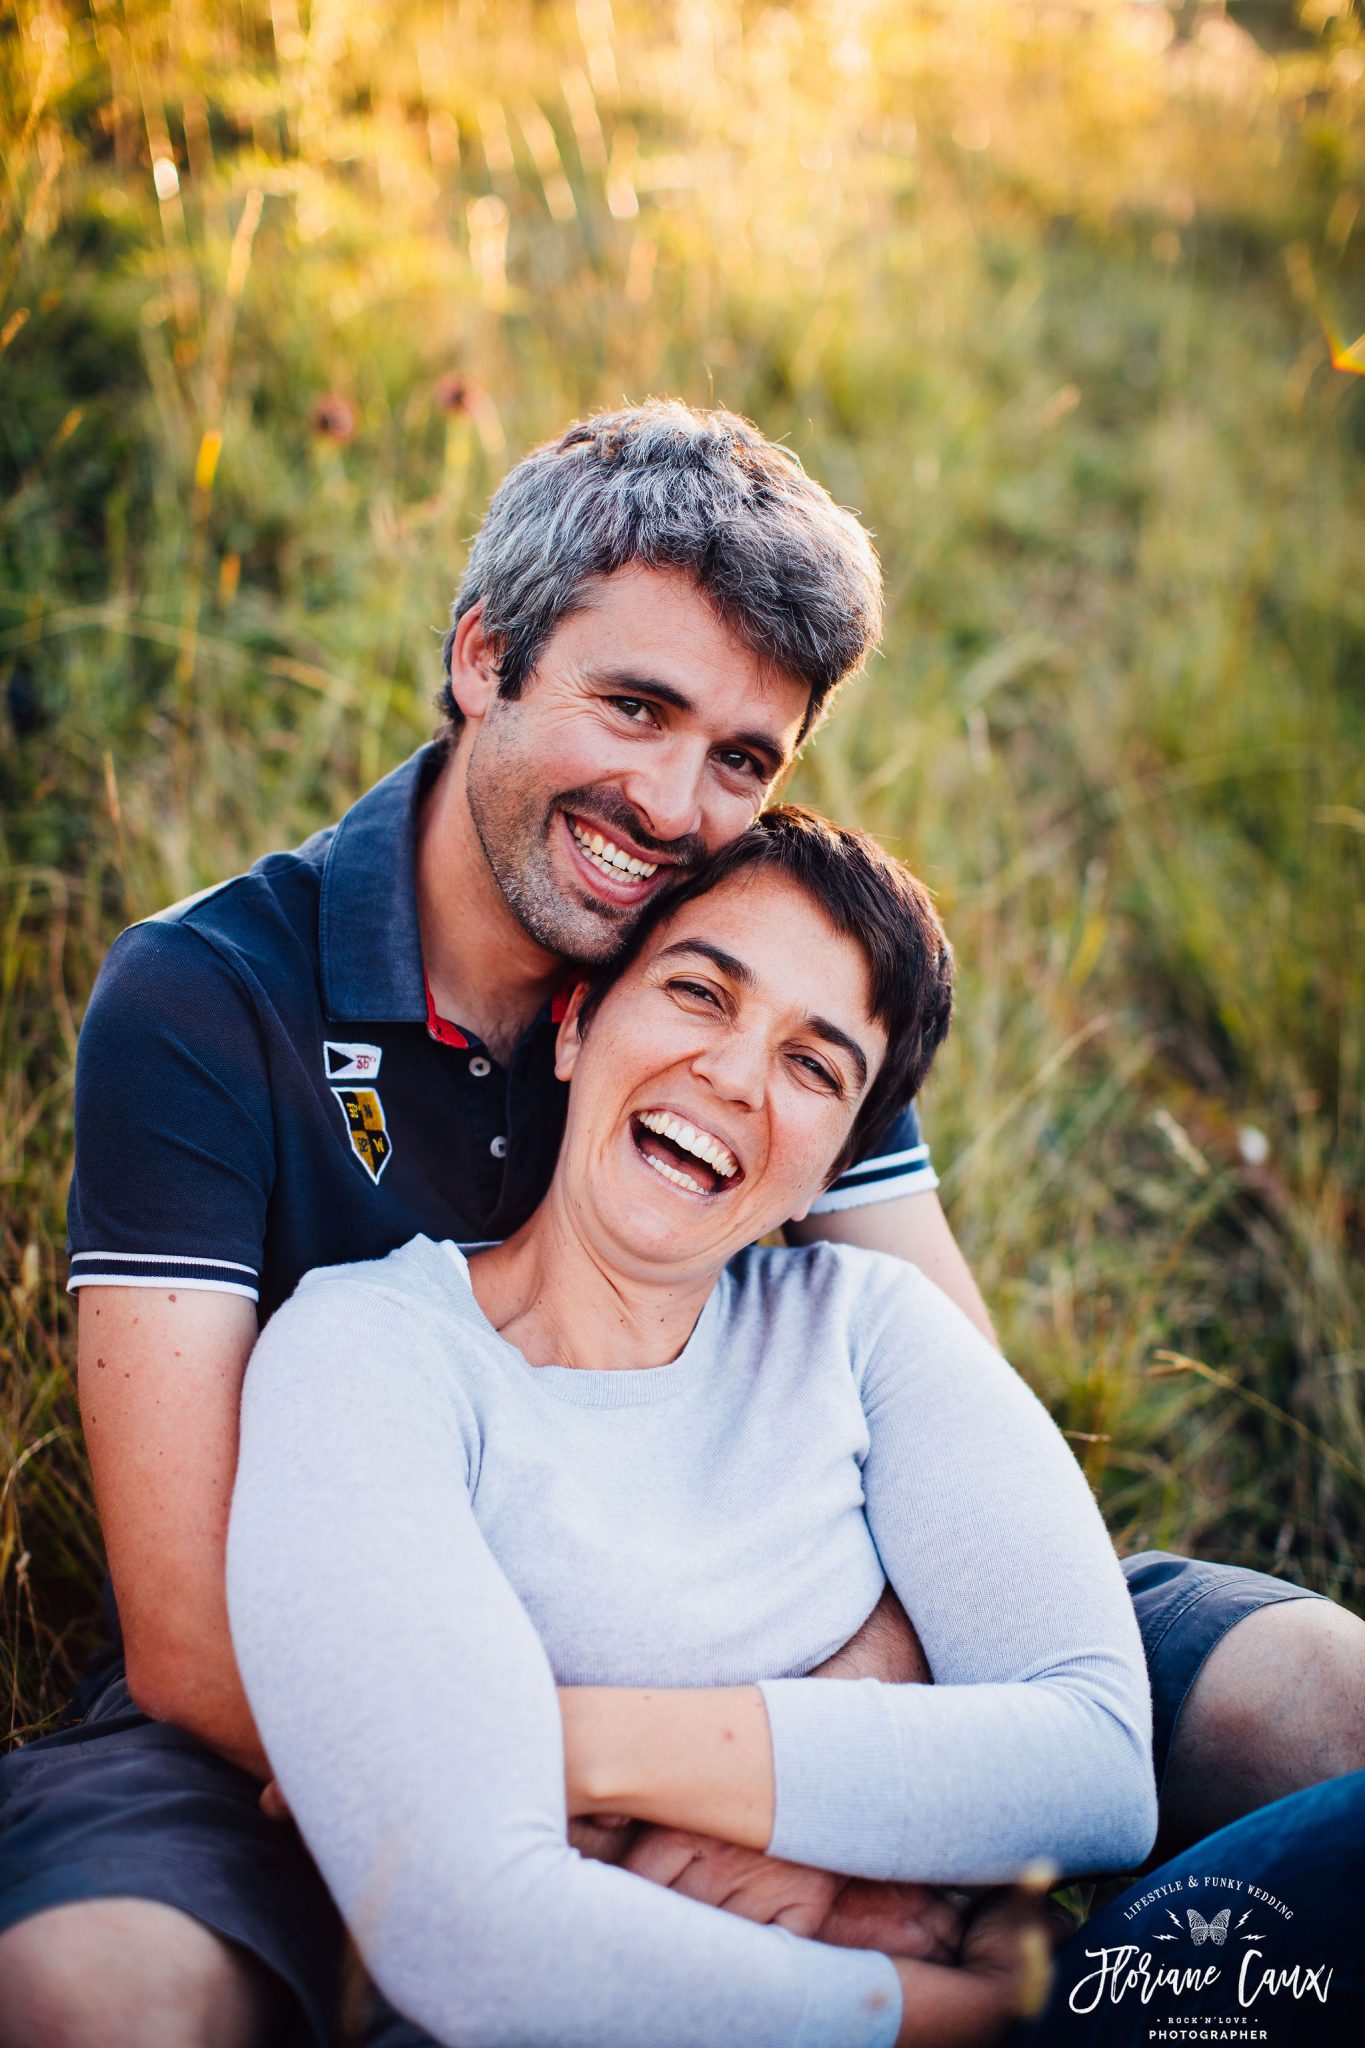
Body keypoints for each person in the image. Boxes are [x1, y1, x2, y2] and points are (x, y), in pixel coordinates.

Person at [0, 403, 1360, 2048]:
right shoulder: (210, 999)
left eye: (742, 756)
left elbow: (966, 1433)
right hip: (344, 1664)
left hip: (784, 1581)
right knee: (97, 1995)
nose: (669, 803)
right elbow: (196, 1638)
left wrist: (780, 1767)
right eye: (633, 705)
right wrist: (541, 1814)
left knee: (1322, 1703)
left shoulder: (740, 970)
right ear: (483, 656)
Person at [226, 807, 1158, 2048]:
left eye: (814, 1065)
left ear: (836, 1167)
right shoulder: (371, 1350)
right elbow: (466, 1929)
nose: (732, 1073)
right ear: (574, 1027)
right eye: (699, 992)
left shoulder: (865, 1329)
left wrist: (566, 1747)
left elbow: (1098, 1760)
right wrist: (955, 2013)